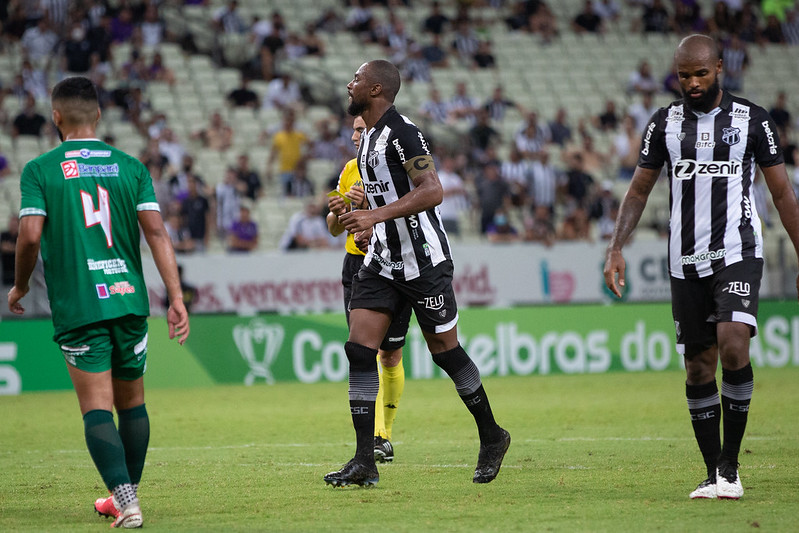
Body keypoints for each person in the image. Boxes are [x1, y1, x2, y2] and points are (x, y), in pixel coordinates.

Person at [603, 35, 799, 501]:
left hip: (737, 249)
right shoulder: (663, 124)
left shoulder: (753, 119)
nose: (692, 83)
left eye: (700, 74)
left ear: (720, 69)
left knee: (733, 343)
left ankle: (730, 465)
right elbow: (638, 192)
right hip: (684, 259)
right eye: (684, 76)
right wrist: (615, 247)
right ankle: (713, 474)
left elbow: (782, 193)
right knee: (697, 368)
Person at [8, 76, 189, 528]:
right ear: (99, 115)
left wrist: (20, 285)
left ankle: (126, 503)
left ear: (55, 117)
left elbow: (29, 236)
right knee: (133, 403)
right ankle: (124, 496)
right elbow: (157, 233)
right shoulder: (131, 166)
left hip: (81, 304)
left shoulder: (40, 169)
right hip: (128, 298)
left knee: (96, 406)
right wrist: (176, 296)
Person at [325, 60, 510, 488]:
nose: (349, 84)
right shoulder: (367, 140)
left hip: (423, 261)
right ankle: (364, 460)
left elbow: (433, 190)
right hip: (382, 262)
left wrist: (374, 216)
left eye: (357, 79)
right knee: (359, 350)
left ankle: (492, 435)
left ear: (376, 89)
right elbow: (383, 199)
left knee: (445, 352)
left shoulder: (403, 133)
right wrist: (365, 222)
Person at [327, 115, 410, 463]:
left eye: (360, 129)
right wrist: (339, 211)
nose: (354, 135)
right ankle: (376, 439)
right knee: (365, 351)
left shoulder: (394, 166)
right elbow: (334, 228)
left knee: (390, 355)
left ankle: (384, 433)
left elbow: (408, 214)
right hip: (357, 267)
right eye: (354, 130)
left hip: (393, 265)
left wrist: (368, 211)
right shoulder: (349, 170)